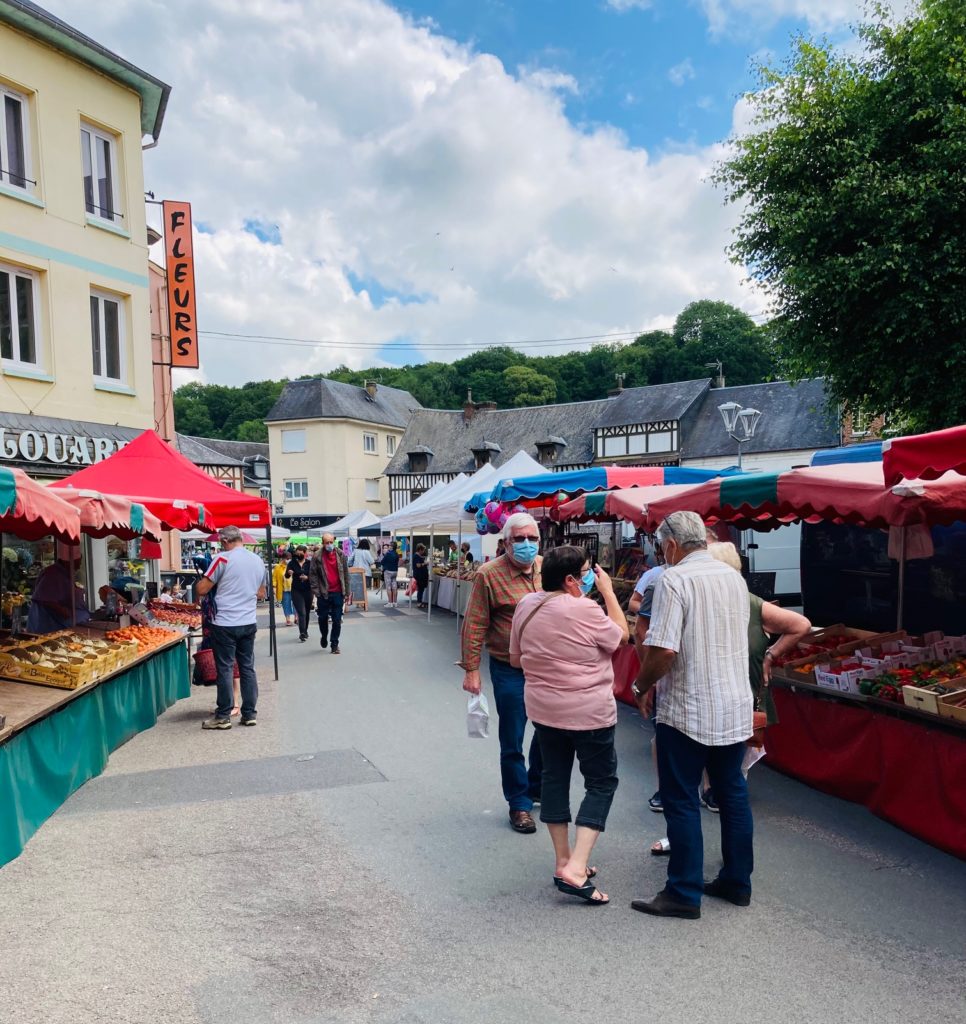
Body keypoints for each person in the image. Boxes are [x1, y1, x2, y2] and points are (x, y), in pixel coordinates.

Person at [631, 511, 753, 919]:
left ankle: (683, 891)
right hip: (733, 705)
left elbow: (663, 650)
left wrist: (640, 685)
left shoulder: (673, 579)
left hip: (689, 707)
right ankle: (737, 881)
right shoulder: (732, 578)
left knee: (680, 798)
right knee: (732, 795)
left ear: (669, 545)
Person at [510, 545, 628, 905]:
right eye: (588, 571)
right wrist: (607, 592)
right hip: (589, 712)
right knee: (601, 782)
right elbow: (621, 636)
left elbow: (515, 658)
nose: (593, 576)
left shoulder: (526, 605)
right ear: (572, 579)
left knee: (554, 779)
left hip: (545, 711)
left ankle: (562, 859)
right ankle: (577, 866)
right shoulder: (586, 608)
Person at [460, 512, 544, 834]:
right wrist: (472, 670)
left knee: (550, 732)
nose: (526, 545)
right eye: (519, 539)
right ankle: (519, 804)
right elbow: (475, 624)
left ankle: (535, 785)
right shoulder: (489, 575)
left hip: (547, 669)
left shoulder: (547, 568)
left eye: (532, 539)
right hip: (509, 669)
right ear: (505, 542)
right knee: (513, 738)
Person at [196, 525, 266, 730]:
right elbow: (261, 593)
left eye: (221, 542)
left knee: (225, 668)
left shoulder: (222, 559)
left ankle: (223, 715)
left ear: (225, 541)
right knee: (247, 667)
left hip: (225, 622)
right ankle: (249, 713)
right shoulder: (257, 560)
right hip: (248, 621)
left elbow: (201, 589)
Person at [629, 546, 667, 817]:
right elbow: (638, 623)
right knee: (665, 736)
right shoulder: (655, 577)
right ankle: (666, 790)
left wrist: (642, 685)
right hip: (668, 672)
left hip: (675, 673)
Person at [27, 543, 90, 632]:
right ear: (68, 562)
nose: (79, 566)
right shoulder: (52, 574)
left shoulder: (64, 573)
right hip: (48, 626)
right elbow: (45, 599)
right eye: (77, 563)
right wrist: (65, 612)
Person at [310, 532, 349, 653]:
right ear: (323, 543)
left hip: (338, 592)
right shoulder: (317, 556)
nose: (329, 544)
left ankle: (334, 644)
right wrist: (317, 592)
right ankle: (324, 635)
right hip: (323, 593)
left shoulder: (341, 554)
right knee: (322, 619)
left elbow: (346, 574)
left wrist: (347, 592)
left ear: (334, 541)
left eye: (331, 542)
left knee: (337, 620)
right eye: (327, 542)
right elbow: (313, 575)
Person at [286, 546, 312, 640]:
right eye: (297, 553)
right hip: (296, 590)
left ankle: (305, 631)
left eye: (301, 553)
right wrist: (289, 573)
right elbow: (287, 576)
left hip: (308, 590)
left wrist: (307, 578)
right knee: (302, 612)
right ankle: (302, 633)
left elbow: (314, 575)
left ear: (305, 553)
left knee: (307, 612)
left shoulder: (310, 563)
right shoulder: (292, 563)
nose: (299, 555)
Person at [272, 554, 294, 626]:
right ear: (283, 558)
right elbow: (274, 577)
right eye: (287, 558)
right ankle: (288, 620)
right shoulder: (278, 567)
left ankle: (297, 618)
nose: (288, 560)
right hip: (284, 589)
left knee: (296, 604)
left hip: (294, 588)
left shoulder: (293, 565)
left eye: (289, 558)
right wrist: (274, 586)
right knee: (286, 604)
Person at [380, 541, 400, 607]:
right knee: (394, 587)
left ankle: (390, 603)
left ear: (391, 547)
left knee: (388, 587)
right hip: (395, 572)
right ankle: (395, 602)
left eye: (389, 546)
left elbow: (382, 562)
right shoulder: (397, 554)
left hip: (388, 572)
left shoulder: (388, 554)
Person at [412, 543, 429, 608]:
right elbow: (418, 565)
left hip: (421, 575)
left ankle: (420, 601)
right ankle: (419, 602)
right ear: (420, 550)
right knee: (420, 589)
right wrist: (425, 563)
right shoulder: (416, 556)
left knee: (421, 589)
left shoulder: (418, 556)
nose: (423, 551)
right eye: (423, 550)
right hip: (419, 575)